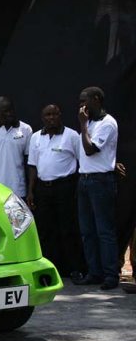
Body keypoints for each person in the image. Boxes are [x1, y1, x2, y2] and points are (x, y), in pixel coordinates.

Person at [26, 104, 86, 277]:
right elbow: (32, 166)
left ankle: (74, 269)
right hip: (43, 188)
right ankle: (50, 268)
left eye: (54, 114)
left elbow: (82, 160)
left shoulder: (72, 136)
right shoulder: (36, 137)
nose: (51, 118)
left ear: (60, 115)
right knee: (45, 229)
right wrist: (31, 191)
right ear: (42, 117)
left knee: (67, 228)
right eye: (48, 115)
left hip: (64, 187)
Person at [74, 86, 119, 290]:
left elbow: (90, 149)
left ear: (97, 99)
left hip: (100, 181)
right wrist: (85, 124)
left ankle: (110, 275)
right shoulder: (90, 121)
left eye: (85, 101)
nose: (81, 106)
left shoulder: (107, 123)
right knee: (87, 231)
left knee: (104, 230)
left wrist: (83, 126)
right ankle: (94, 272)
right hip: (84, 179)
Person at [0, 96, 32, 199]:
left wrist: (30, 190)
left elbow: (29, 160)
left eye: (11, 110)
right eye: (5, 111)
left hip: (17, 189)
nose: (9, 113)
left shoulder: (26, 129)